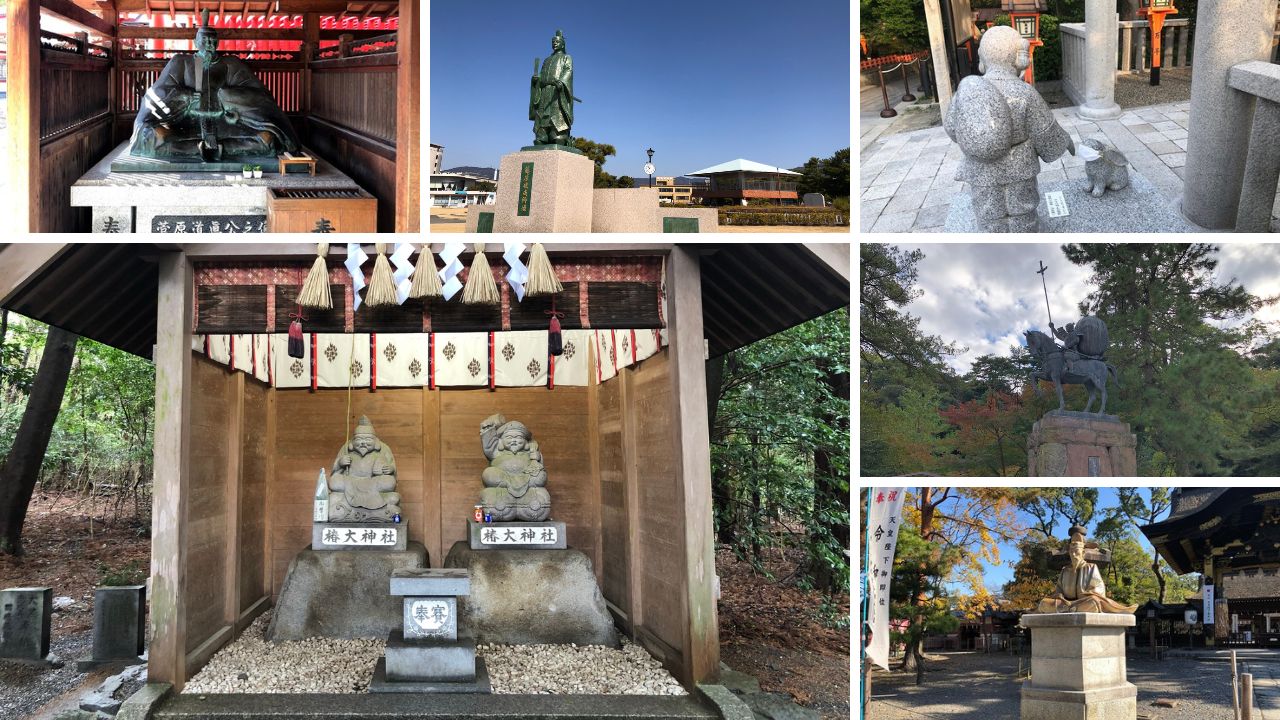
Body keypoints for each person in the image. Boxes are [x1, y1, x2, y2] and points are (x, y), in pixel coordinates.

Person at [944, 25, 1074, 232]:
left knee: (987, 208)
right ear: (1018, 56)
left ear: (982, 57)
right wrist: (1063, 141)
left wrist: (976, 141)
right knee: (1022, 206)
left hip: (980, 168)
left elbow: (952, 127)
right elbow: (1044, 131)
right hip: (1020, 165)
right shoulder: (1025, 92)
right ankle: (1025, 232)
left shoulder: (966, 92)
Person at [129, 9, 300, 161]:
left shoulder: (231, 64)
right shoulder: (180, 62)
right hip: (186, 122)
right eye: (205, 41)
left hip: (227, 123)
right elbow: (157, 93)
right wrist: (184, 96)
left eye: (213, 41)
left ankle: (221, 148)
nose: (209, 45)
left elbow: (259, 96)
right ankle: (198, 149)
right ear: (196, 42)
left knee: (268, 138)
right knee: (154, 137)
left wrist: (232, 103)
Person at [1036, 526, 1137, 614]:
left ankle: (1068, 609)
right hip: (1065, 602)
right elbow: (1058, 590)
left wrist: (1086, 594)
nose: (1074, 555)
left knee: (1094, 601)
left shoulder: (1091, 567)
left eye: (1077, 552)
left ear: (1083, 553)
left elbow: (1098, 588)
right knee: (1044, 603)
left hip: (1084, 601)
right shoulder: (1065, 570)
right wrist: (1060, 596)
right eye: (1071, 552)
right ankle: (1070, 608)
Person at [327, 416, 401, 521]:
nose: (363, 443)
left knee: (389, 482)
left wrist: (390, 469)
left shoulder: (384, 449)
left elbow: (392, 467)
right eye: (359, 439)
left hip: (373, 482)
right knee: (334, 481)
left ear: (376, 441)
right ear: (352, 441)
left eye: (368, 439)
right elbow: (335, 471)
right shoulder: (346, 448)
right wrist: (340, 463)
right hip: (350, 482)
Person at [479, 414, 551, 521]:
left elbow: (539, 468)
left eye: (518, 437)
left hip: (526, 478)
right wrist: (489, 426)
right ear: (501, 441)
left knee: (540, 476)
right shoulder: (496, 452)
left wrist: (537, 458)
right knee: (489, 473)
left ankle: (527, 501)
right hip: (503, 479)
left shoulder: (529, 452)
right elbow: (489, 444)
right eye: (509, 437)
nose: (514, 440)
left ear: (526, 442)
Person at [529, 30, 575, 146]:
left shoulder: (566, 57)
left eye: (557, 42)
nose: (554, 43)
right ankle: (542, 134)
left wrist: (562, 82)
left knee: (557, 113)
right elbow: (541, 75)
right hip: (544, 91)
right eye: (553, 42)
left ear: (563, 44)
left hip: (557, 91)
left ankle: (558, 134)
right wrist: (536, 80)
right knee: (542, 114)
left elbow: (568, 71)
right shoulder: (547, 60)